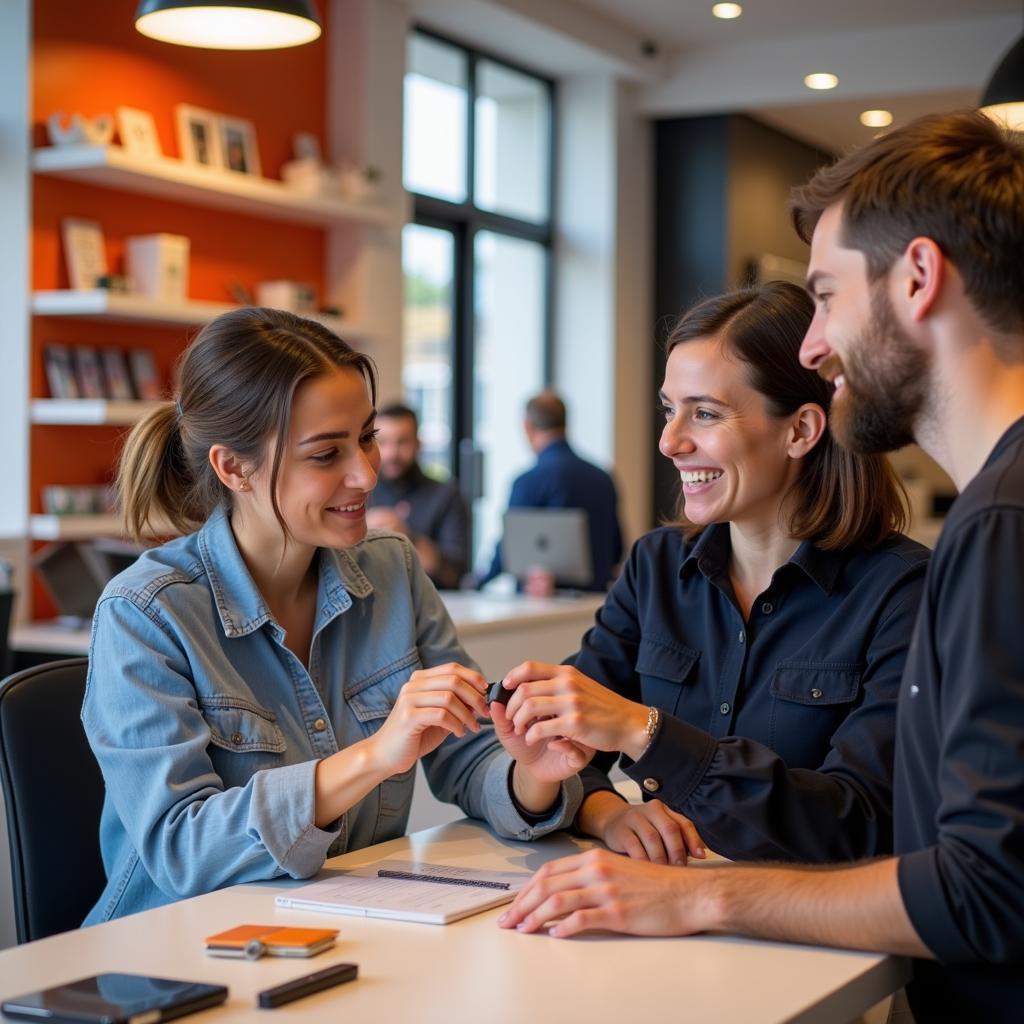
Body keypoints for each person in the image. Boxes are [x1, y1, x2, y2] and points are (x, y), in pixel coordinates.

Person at [499, 111, 1024, 1023]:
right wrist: (595, 805)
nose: (820, 347)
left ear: (918, 278)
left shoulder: (983, 536)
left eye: (826, 295)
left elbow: (976, 885)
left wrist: (699, 892)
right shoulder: (989, 517)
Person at [81, 308, 586, 925]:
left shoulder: (392, 569)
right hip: (176, 957)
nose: (366, 473)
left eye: (366, 437)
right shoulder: (146, 613)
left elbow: (470, 756)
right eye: (326, 454)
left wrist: (534, 773)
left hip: (342, 935)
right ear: (233, 467)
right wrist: (375, 755)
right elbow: (182, 850)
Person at [493, 281, 928, 866]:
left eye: (705, 413)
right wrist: (609, 813)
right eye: (670, 409)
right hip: (662, 916)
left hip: (815, 939)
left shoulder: (904, 592)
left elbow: (862, 820)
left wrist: (645, 732)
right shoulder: (655, 568)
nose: (670, 441)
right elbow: (566, 756)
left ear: (801, 430)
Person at [480, 391, 624, 591]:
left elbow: (511, 547)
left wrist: (478, 582)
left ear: (527, 427)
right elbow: (617, 548)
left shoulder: (528, 481)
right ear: (565, 424)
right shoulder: (603, 478)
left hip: (546, 606)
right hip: (596, 602)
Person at [366, 402, 470, 590]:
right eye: (383, 442)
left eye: (402, 442)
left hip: (431, 603)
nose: (392, 453)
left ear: (418, 444)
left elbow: (455, 574)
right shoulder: (361, 492)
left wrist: (407, 538)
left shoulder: (446, 495)